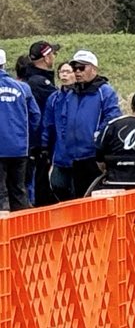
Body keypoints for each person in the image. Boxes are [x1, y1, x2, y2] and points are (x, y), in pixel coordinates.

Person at [41, 50, 122, 201]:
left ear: (94, 69)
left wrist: (98, 139)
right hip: (74, 156)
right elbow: (64, 120)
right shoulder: (72, 93)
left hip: (94, 156)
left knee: (93, 198)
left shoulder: (104, 91)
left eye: (81, 68)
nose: (77, 71)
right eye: (75, 68)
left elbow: (112, 118)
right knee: (75, 197)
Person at [0, 49, 41, 209]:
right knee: (19, 190)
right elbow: (35, 116)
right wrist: (25, 137)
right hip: (19, 148)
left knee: (1, 193)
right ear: (4, 65)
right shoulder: (23, 88)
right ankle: (23, 222)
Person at [21, 40, 57, 205]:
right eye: (52, 54)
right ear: (46, 57)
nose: (54, 57)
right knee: (39, 186)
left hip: (33, 142)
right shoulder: (41, 83)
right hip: (40, 144)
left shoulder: (29, 80)